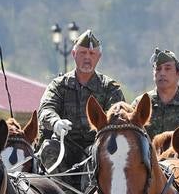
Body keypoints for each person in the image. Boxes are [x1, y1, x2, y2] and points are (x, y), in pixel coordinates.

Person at [37, 29, 125, 169]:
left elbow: (119, 117)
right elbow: (46, 109)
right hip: (64, 145)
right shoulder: (59, 85)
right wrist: (55, 122)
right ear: (74, 54)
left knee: (102, 152)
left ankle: (91, 191)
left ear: (99, 56)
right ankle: (59, 190)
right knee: (49, 148)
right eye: (83, 53)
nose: (87, 57)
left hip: (95, 147)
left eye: (92, 53)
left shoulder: (110, 88)